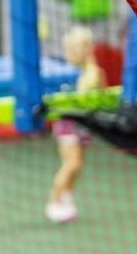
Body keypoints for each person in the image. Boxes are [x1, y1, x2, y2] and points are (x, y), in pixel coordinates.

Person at [45, 25, 107, 224]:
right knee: (72, 163)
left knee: (77, 165)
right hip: (68, 125)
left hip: (84, 125)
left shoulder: (94, 73)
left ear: (86, 49)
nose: (69, 55)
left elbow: (101, 95)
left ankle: (66, 197)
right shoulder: (71, 73)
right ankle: (53, 202)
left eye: (73, 50)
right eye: (68, 50)